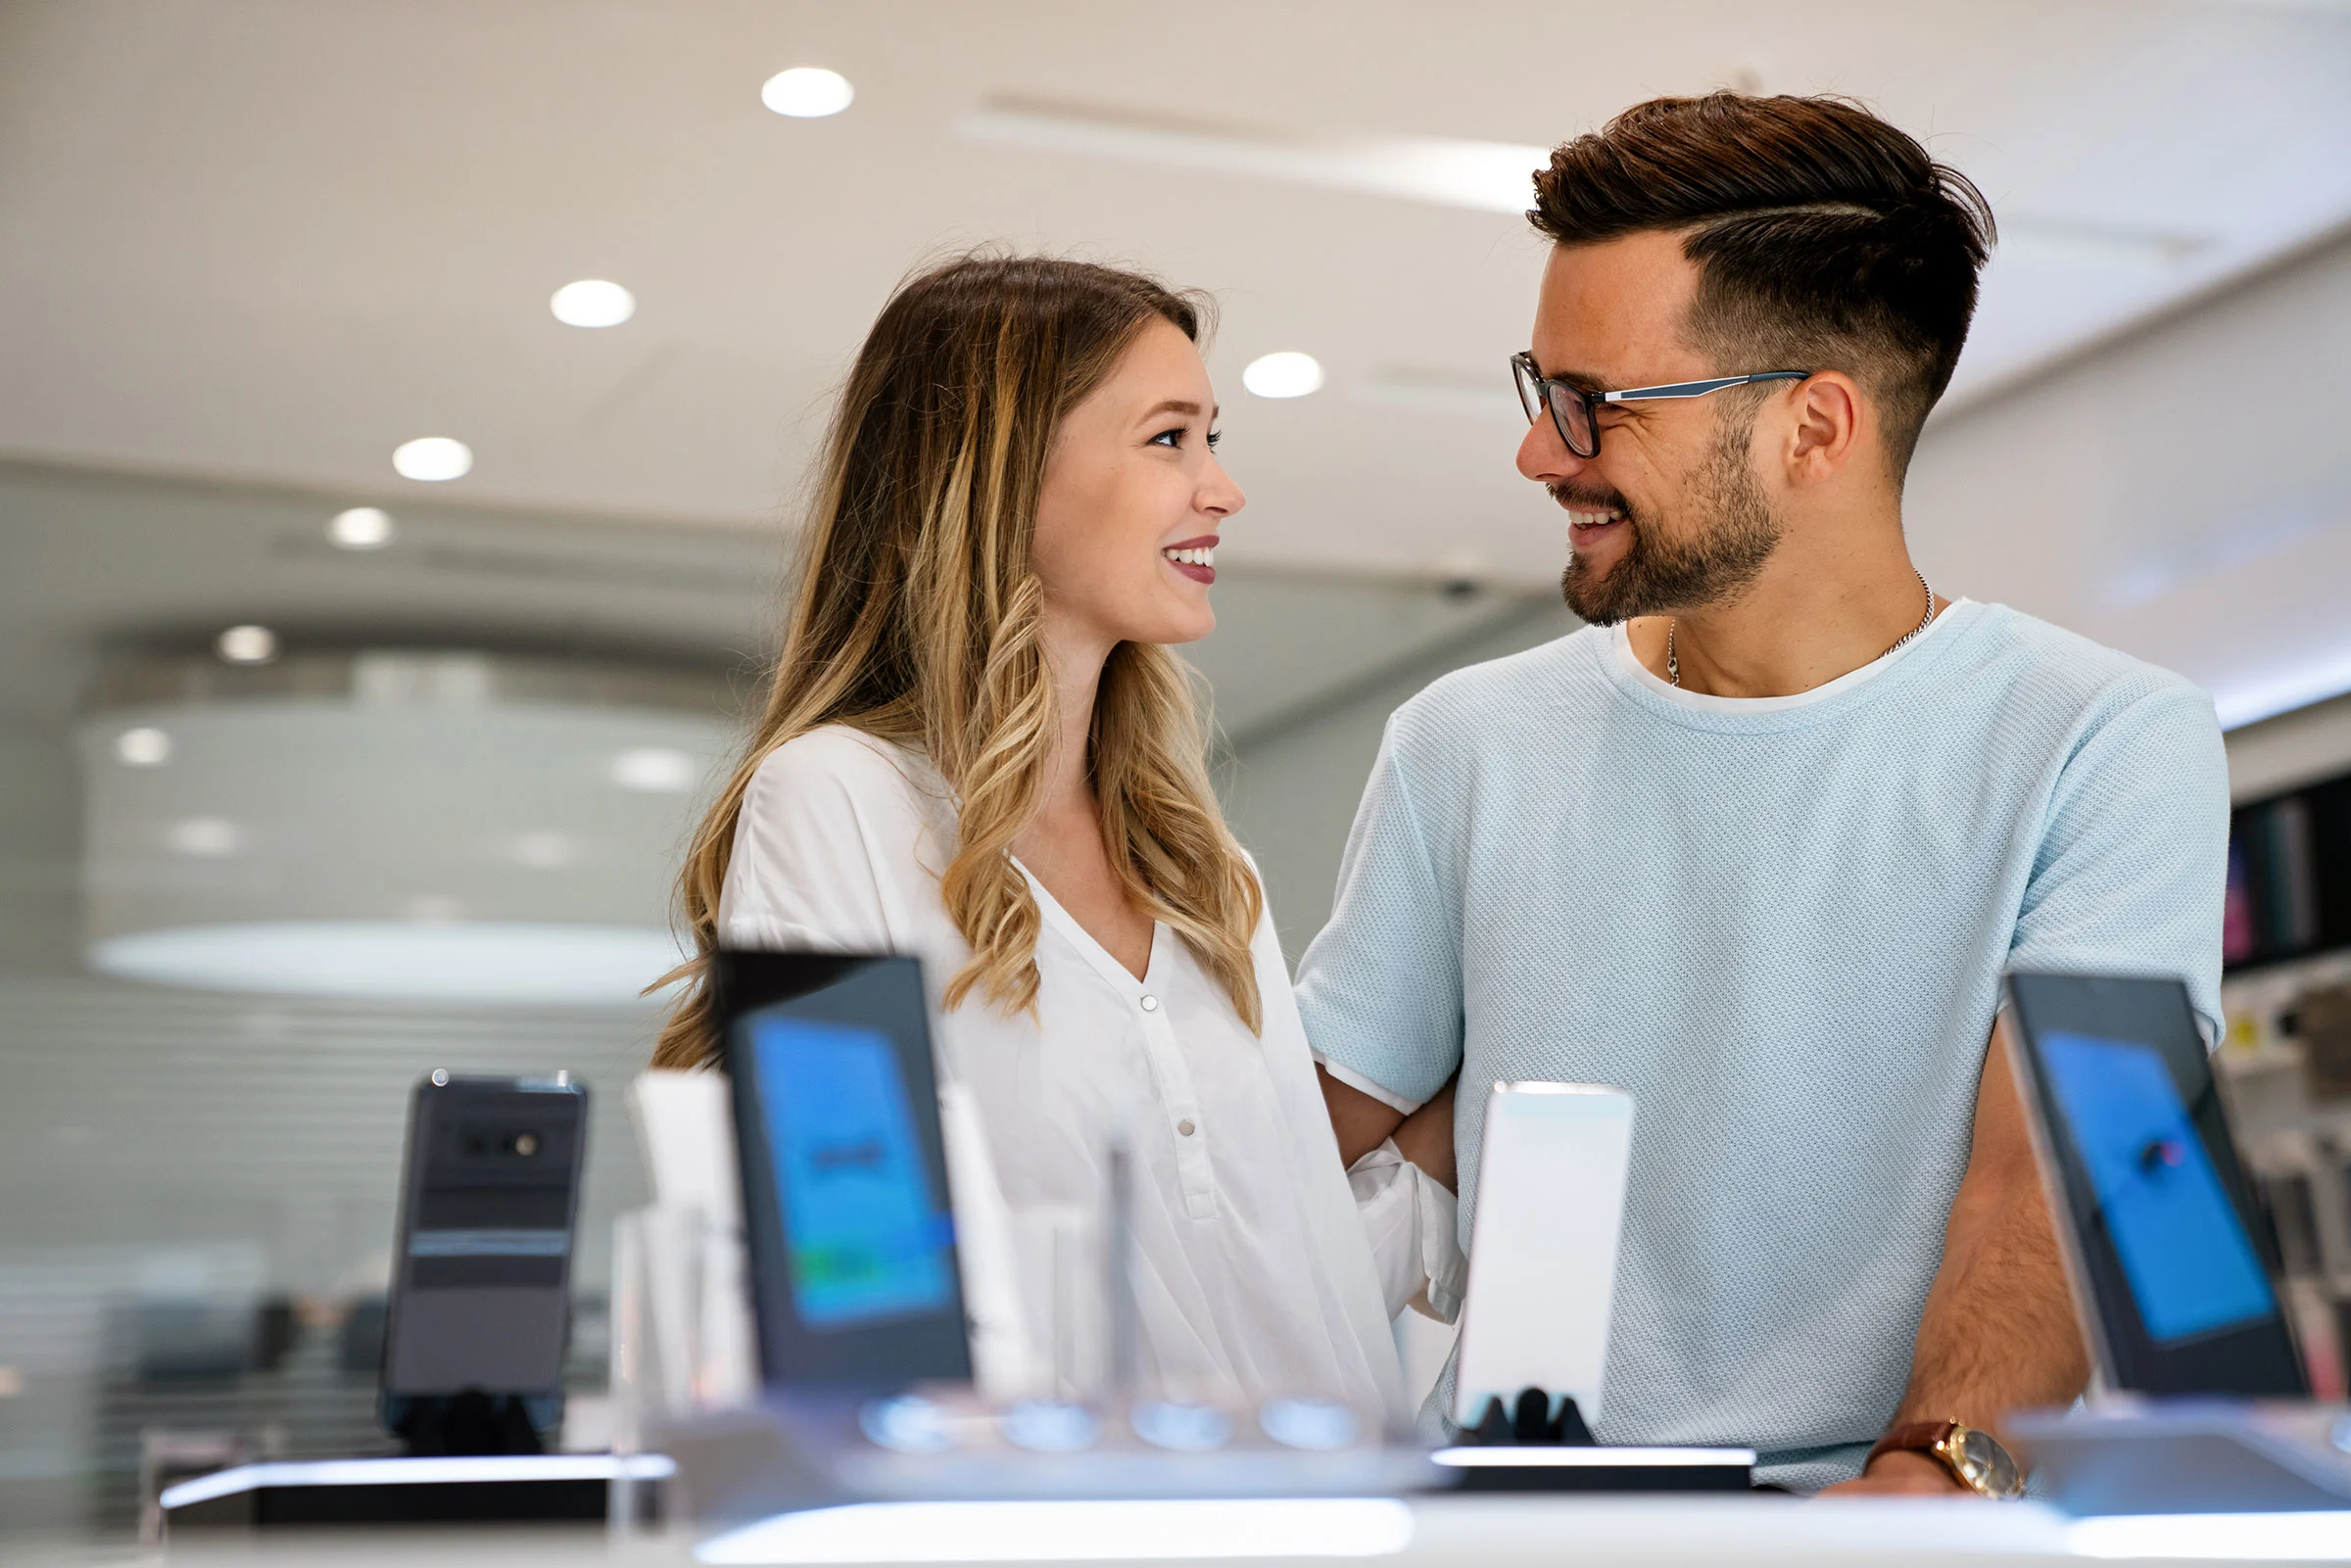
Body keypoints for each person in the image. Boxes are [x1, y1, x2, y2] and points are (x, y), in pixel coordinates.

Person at [1299, 93, 2228, 1492]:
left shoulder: (2103, 741)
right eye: (1539, 390)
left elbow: (2048, 1180)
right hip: (1514, 1514)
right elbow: (1273, 1159)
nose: (1540, 452)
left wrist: (1930, 1475)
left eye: (1595, 405)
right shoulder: (1463, 744)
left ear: (1815, 426)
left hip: (1878, 1511)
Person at [652, 253, 1437, 1417]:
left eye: (1212, 439)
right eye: (1170, 438)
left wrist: (1439, 1145)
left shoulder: (1210, 874)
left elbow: (1280, 1291)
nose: (1223, 489)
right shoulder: (833, 801)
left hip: (1293, 1497)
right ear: (1005, 472)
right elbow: (852, 1284)